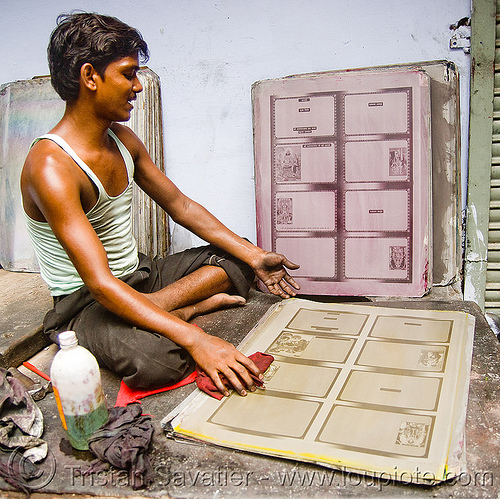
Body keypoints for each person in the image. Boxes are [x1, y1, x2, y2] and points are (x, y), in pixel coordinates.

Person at [21, 12, 300, 397]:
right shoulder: (51, 167)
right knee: (159, 360)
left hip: (139, 275)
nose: (137, 86)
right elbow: (100, 284)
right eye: (128, 73)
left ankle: (152, 308)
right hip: (86, 302)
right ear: (90, 77)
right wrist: (195, 338)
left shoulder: (122, 140)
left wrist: (254, 255)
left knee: (237, 259)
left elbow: (181, 206)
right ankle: (182, 310)